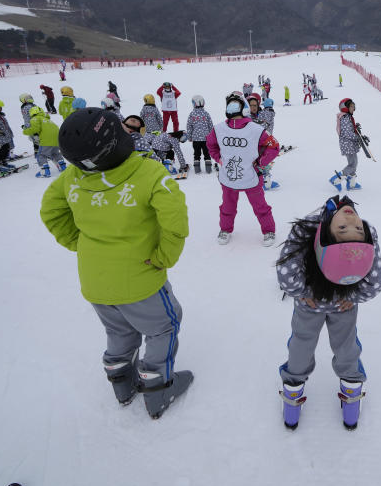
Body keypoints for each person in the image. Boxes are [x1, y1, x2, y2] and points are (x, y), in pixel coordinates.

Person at [40, 108, 192, 419]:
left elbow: (51, 212)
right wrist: (164, 257)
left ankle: (121, 382)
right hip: (141, 280)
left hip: (96, 282)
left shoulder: (72, 177)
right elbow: (174, 220)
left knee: (120, 332)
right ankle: (157, 388)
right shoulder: (149, 173)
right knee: (165, 326)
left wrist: (80, 244)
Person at [276, 195, 381, 430]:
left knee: (302, 343)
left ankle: (292, 396)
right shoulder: (312, 229)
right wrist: (353, 296)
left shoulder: (308, 228)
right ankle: (351, 397)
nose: (354, 221)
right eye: (351, 228)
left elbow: (286, 272)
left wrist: (303, 292)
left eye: (355, 227)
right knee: (346, 346)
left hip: (310, 303)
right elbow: (376, 281)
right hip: (340, 304)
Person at [205, 93, 280, 246]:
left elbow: (274, 146)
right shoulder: (218, 129)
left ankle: (268, 230)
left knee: (260, 207)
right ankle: (225, 229)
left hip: (251, 177)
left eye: (236, 104)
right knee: (227, 206)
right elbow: (210, 144)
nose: (232, 107)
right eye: (230, 104)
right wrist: (219, 158)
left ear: (243, 107)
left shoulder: (256, 129)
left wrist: (260, 163)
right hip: (228, 177)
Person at [330, 98, 364, 191]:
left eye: (354, 106)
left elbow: (349, 129)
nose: (354, 108)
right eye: (352, 106)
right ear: (345, 107)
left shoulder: (347, 117)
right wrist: (358, 137)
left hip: (349, 144)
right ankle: (336, 179)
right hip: (348, 144)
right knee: (352, 164)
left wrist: (355, 127)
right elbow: (346, 133)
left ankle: (351, 183)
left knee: (354, 163)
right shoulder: (345, 118)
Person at [22, 106, 65, 178]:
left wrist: (25, 131)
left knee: (41, 155)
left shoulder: (35, 118)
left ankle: (45, 171)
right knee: (55, 153)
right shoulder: (48, 120)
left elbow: (35, 129)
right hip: (56, 140)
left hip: (46, 141)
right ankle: (62, 166)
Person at [185, 95, 215, 174]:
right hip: (206, 138)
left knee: (196, 154)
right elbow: (211, 126)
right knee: (207, 153)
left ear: (194, 104)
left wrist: (189, 136)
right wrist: (212, 136)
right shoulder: (206, 114)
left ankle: (197, 169)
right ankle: (208, 169)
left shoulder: (192, 114)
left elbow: (189, 126)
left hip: (196, 139)